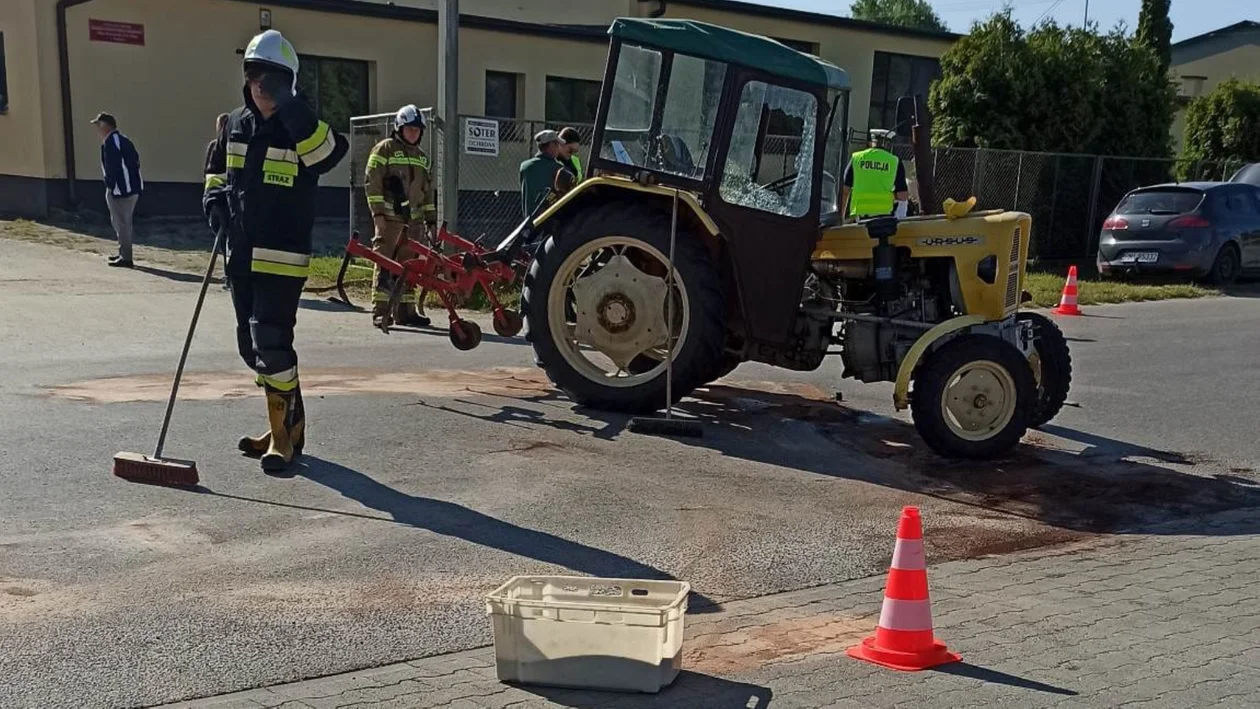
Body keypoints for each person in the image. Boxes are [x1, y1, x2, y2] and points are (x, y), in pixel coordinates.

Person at [203, 29, 348, 473]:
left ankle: (284, 440)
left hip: (282, 259)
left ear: (288, 82)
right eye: (252, 77)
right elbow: (216, 170)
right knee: (252, 350)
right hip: (241, 255)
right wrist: (213, 201)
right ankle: (287, 422)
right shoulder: (236, 125)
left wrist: (291, 107)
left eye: (269, 79)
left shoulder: (303, 127)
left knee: (272, 342)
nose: (259, 87)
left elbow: (328, 154)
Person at [364, 104, 437, 329]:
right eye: (409, 129)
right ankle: (381, 312)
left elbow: (427, 193)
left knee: (409, 266)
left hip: (413, 223)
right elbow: (372, 182)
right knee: (385, 264)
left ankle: (406, 312)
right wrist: (377, 214)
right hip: (390, 219)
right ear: (399, 128)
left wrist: (431, 220)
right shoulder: (384, 149)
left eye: (417, 130)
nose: (413, 133)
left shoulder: (423, 158)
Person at [91, 112, 143, 268]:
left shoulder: (112, 143)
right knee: (121, 222)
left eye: (99, 125)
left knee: (122, 223)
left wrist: (111, 185)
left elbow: (113, 167)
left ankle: (126, 258)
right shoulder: (123, 140)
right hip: (130, 188)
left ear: (106, 126)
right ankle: (123, 253)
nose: (98, 130)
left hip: (121, 190)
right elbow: (136, 161)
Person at [840, 129, 909, 223]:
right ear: (888, 144)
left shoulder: (856, 158)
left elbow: (845, 191)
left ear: (870, 142)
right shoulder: (895, 161)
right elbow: (903, 196)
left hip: (859, 217)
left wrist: (841, 219)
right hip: (884, 219)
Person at [519, 130, 574, 219]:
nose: (558, 148)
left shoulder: (525, 167)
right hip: (550, 221)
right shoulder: (559, 168)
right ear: (552, 146)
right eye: (557, 144)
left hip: (529, 221)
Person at [206, 113, 232, 290]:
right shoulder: (215, 147)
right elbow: (209, 174)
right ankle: (230, 276)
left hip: (225, 200)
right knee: (226, 242)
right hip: (219, 200)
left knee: (229, 242)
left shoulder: (229, 147)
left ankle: (231, 277)